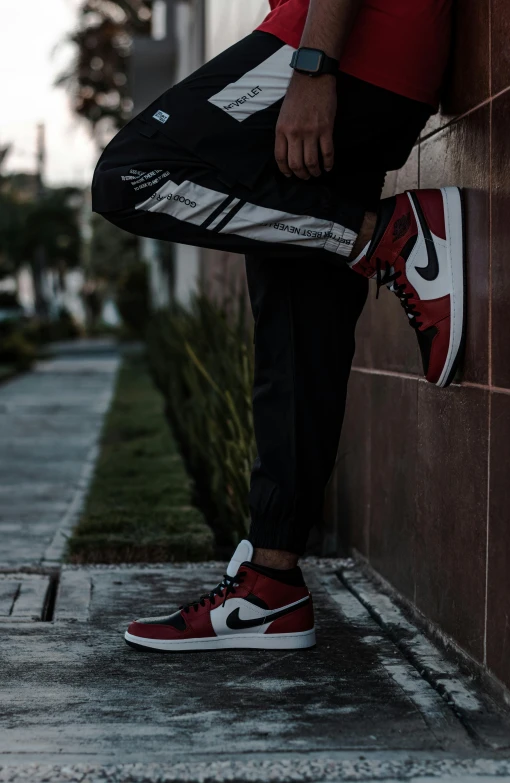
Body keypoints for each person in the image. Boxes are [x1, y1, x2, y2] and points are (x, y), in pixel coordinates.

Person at [92, 0, 463, 652]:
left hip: (347, 47)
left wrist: (313, 65)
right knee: (297, 337)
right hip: (382, 67)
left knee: (132, 174)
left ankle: (386, 237)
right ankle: (272, 585)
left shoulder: (318, 61)